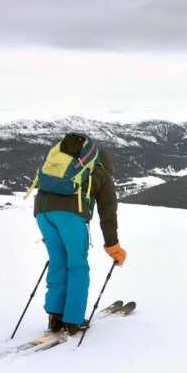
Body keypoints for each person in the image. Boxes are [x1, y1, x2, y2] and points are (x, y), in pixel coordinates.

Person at [33, 142, 127, 335]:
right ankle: (73, 321)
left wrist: (51, 235)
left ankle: (55, 318)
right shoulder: (103, 176)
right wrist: (113, 247)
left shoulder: (70, 169)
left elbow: (51, 197)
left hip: (42, 212)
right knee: (77, 266)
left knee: (58, 263)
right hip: (69, 216)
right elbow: (108, 215)